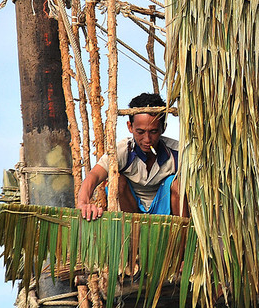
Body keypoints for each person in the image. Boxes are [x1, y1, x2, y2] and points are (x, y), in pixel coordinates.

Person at [77, 92, 186, 220]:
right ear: (130, 127)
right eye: (140, 132)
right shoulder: (123, 151)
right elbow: (93, 176)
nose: (147, 139)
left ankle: (183, 234)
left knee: (179, 184)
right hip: (131, 210)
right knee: (117, 180)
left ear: (164, 127)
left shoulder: (177, 152)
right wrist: (83, 203)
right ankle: (131, 229)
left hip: (165, 210)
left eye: (154, 131)